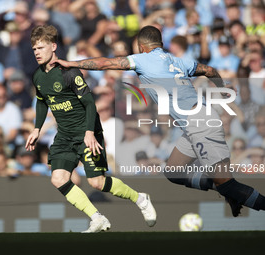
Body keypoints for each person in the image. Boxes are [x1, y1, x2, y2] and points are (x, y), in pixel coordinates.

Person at [53, 25, 265, 217]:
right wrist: (221, 86)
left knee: (228, 184)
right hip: (195, 124)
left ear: (141, 46)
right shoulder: (178, 60)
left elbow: (106, 63)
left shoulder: (143, 59)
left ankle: (231, 191)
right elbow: (209, 70)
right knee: (173, 171)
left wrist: (70, 63)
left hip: (201, 124)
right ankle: (225, 189)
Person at [25, 25, 156, 233]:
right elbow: (42, 101)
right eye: (34, 50)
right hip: (65, 135)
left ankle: (140, 198)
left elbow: (89, 104)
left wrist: (89, 133)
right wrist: (36, 129)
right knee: (58, 178)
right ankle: (97, 218)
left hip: (87, 131)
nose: (37, 53)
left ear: (53, 46)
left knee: (97, 182)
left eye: (41, 48)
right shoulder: (38, 76)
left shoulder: (69, 72)